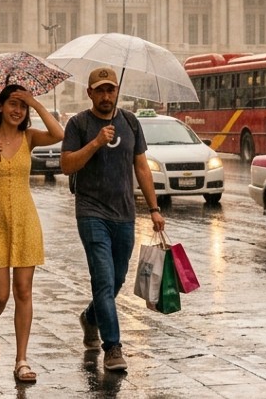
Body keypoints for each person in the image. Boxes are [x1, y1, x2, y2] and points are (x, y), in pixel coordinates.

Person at [61, 67, 164, 373]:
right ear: (89, 93)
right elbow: (67, 165)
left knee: (117, 279)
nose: (106, 96)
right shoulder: (78, 123)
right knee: (103, 279)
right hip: (91, 212)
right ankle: (113, 347)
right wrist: (95, 143)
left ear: (117, 91)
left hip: (125, 214)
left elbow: (142, 167)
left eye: (111, 90)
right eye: (100, 90)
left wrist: (155, 209)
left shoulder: (131, 122)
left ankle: (91, 317)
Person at [0, 85, 63, 383]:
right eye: (13, 103)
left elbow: (59, 134)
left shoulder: (29, 137)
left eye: (22, 106)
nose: (18, 110)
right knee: (0, 294)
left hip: (24, 219)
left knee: (23, 290)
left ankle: (21, 360)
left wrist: (34, 101)